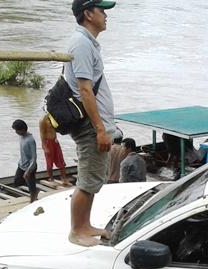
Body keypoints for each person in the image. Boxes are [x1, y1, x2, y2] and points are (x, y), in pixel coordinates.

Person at [65, 0, 118, 246]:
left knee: (93, 177)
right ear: (88, 13)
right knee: (87, 180)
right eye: (101, 10)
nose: (106, 15)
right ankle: (77, 231)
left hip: (94, 123)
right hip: (89, 124)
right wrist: (99, 129)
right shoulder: (82, 44)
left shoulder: (87, 43)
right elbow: (85, 90)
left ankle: (85, 225)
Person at [11, 119, 38, 203]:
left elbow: (34, 157)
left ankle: (33, 201)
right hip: (21, 165)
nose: (16, 132)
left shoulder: (30, 140)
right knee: (17, 182)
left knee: (31, 187)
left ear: (22, 130)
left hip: (30, 167)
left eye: (17, 130)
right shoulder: (21, 136)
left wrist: (28, 171)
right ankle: (35, 190)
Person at [39, 114, 70, 186]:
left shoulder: (53, 117)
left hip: (55, 141)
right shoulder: (43, 120)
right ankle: (51, 179)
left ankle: (64, 179)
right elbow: (42, 133)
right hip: (48, 142)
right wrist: (45, 146)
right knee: (49, 162)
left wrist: (56, 138)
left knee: (61, 160)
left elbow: (56, 129)